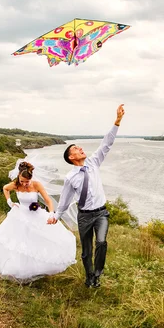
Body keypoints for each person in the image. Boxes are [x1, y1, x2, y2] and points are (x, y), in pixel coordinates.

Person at [48, 104, 125, 288]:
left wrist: (117, 121)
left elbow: (106, 144)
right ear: (71, 158)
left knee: (101, 242)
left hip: (101, 214)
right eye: (75, 148)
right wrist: (56, 217)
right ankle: (89, 277)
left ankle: (97, 275)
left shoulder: (94, 162)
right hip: (84, 216)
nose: (80, 148)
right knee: (86, 251)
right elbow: (65, 201)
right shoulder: (70, 178)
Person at [0, 161, 76, 283]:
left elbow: (48, 201)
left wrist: (51, 214)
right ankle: (17, 268)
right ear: (19, 177)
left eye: (26, 182)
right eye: (22, 181)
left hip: (36, 215)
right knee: (18, 241)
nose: (24, 184)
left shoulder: (37, 185)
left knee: (37, 240)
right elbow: (5, 188)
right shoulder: (16, 184)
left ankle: (37, 267)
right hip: (20, 215)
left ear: (31, 178)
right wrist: (10, 202)